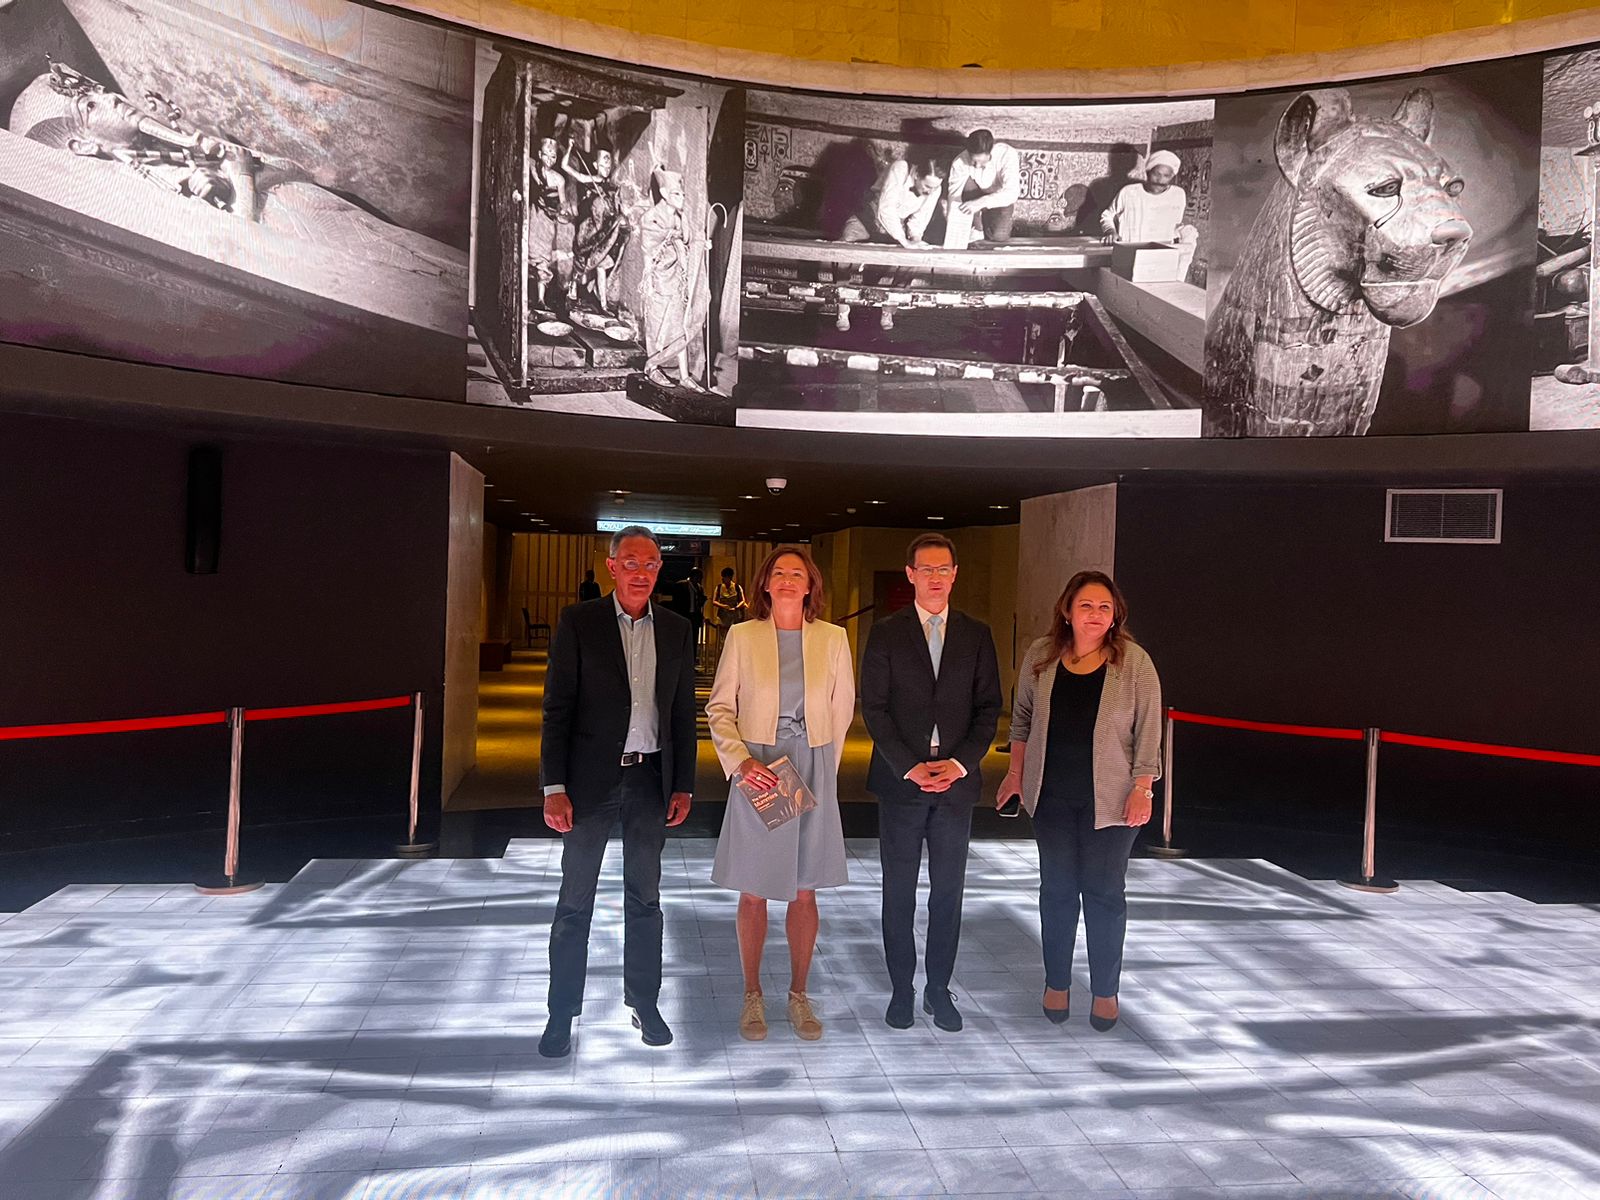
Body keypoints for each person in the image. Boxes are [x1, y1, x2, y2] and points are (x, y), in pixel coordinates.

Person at [537, 526, 697, 1058]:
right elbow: (557, 710)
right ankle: (562, 1013)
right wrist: (554, 786)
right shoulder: (579, 622)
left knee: (645, 899)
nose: (640, 572)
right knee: (574, 901)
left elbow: (682, 714)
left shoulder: (676, 628)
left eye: (650, 563)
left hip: (650, 781)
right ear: (611, 567)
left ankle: (644, 1002)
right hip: (588, 784)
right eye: (630, 562)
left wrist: (683, 783)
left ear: (659, 570)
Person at [997, 571, 1162, 1033]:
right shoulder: (1041, 655)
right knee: (1057, 891)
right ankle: (1057, 983)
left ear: (1116, 615)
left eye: (1104, 607)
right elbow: (1022, 720)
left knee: (1104, 893)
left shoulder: (1134, 663)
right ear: (1067, 611)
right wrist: (1015, 775)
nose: (1095, 614)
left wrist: (1143, 788)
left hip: (1112, 801)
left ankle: (1106, 990)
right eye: (1086, 605)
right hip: (1051, 797)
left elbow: (1149, 730)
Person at [707, 546, 855, 1043]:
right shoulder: (743, 635)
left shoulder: (833, 638)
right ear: (765, 584)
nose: (788, 579)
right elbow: (719, 708)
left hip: (812, 764)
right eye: (779, 572)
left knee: (805, 888)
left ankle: (798, 993)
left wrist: (826, 774)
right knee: (753, 889)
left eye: (798, 573)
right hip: (761, 768)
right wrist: (740, 762)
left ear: (811, 585)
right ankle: (752, 994)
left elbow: (842, 709)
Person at [861, 534, 1001, 1033]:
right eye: (927, 569)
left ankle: (938, 990)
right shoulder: (886, 632)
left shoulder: (976, 634)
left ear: (955, 574)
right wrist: (909, 766)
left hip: (956, 785)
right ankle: (901, 990)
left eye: (944, 569)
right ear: (911, 574)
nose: (936, 577)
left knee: (948, 894)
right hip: (902, 784)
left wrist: (960, 764)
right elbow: (874, 709)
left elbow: (989, 709)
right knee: (898, 893)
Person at [639, 166, 708, 393]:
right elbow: (649, 250)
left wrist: (701, 244)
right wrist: (650, 283)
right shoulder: (651, 218)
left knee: (680, 325)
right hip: (658, 278)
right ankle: (652, 366)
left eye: (683, 195)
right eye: (677, 194)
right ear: (664, 194)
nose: (682, 199)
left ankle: (684, 375)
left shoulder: (680, 218)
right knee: (656, 325)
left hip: (678, 278)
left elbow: (690, 239)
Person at [564, 137, 629, 314]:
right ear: (595, 165)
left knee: (601, 266)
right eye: (602, 165)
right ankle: (571, 293)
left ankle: (603, 305)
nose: (606, 169)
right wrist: (569, 148)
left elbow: (617, 210)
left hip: (603, 236)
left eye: (608, 166)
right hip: (588, 233)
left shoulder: (613, 188)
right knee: (580, 266)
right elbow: (565, 167)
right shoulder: (589, 179)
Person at [842, 157, 945, 248]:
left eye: (935, 187)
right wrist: (903, 240)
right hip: (866, 221)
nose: (931, 192)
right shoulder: (901, 168)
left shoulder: (935, 190)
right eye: (927, 186)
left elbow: (921, 218)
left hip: (893, 232)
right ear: (917, 175)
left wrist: (916, 239)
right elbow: (887, 207)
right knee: (843, 253)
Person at [944, 129, 1020, 246]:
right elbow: (954, 195)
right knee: (965, 183)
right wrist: (952, 224)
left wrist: (980, 202)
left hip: (998, 198)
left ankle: (984, 222)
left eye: (981, 161)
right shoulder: (959, 162)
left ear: (990, 152)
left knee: (998, 236)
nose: (977, 166)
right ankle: (976, 227)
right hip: (974, 193)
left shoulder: (1007, 155)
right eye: (974, 161)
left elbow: (1012, 193)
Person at [1100, 150, 1188, 244]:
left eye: (1166, 176)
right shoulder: (1129, 192)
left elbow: (1176, 224)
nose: (1160, 180)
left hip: (1162, 250)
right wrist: (1110, 231)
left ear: (1172, 177)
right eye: (1156, 174)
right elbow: (1107, 215)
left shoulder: (1177, 195)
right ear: (1148, 172)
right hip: (1128, 248)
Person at [528, 135, 572, 312]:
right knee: (528, 253)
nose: (550, 159)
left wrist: (564, 212)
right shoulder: (531, 167)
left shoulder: (559, 179)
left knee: (543, 260)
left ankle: (540, 299)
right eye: (546, 155)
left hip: (547, 222)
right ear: (540, 154)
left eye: (553, 156)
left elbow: (563, 203)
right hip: (532, 216)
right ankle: (525, 295)